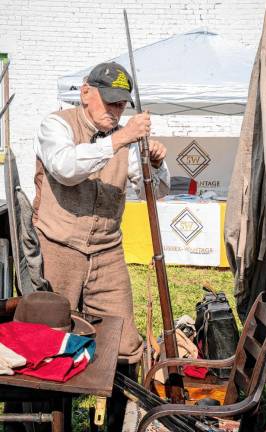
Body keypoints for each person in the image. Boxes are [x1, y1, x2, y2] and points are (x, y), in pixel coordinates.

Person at [32, 62, 170, 430]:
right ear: (85, 92)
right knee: (48, 345)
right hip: (57, 248)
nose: (115, 111)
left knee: (125, 345)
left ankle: (109, 424)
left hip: (107, 253)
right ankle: (48, 421)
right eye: (108, 102)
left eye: (121, 106)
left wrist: (156, 164)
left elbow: (156, 190)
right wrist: (122, 139)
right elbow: (64, 167)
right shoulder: (56, 125)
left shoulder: (122, 140)